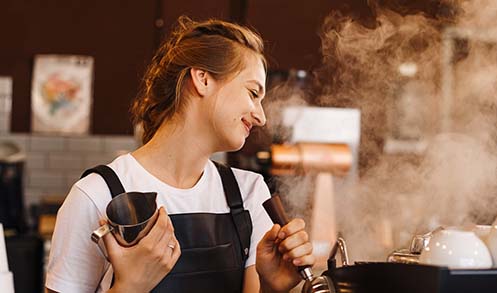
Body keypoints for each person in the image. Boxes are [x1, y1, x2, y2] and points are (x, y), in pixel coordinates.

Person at [45, 17, 314, 292]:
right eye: (253, 92)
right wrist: (130, 286)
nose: (261, 117)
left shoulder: (250, 193)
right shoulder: (96, 195)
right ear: (203, 79)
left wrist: (270, 287)